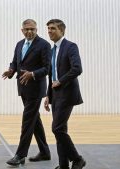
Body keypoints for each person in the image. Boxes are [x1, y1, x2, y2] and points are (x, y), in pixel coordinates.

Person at [2, 19, 51, 166]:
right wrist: (11, 71)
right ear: (22, 30)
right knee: (34, 120)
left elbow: (47, 68)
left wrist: (33, 74)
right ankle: (45, 152)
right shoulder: (19, 44)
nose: (30, 31)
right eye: (27, 29)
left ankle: (20, 155)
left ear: (37, 30)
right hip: (23, 88)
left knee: (27, 121)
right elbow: (16, 62)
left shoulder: (44, 45)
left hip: (36, 89)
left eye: (33, 29)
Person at [45, 19, 86, 169]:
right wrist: (48, 95)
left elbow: (77, 69)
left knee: (56, 128)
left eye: (53, 28)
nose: (49, 31)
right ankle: (63, 166)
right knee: (60, 130)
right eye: (48, 28)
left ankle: (77, 159)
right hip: (55, 95)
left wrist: (61, 81)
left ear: (62, 30)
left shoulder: (70, 46)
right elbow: (51, 75)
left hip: (68, 94)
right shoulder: (52, 50)